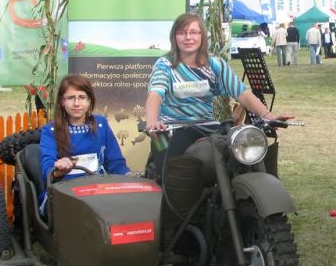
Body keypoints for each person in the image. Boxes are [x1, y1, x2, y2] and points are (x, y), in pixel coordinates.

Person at [145, 13, 292, 172]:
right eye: (182, 32)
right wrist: (152, 121)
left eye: (194, 32)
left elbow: (241, 92)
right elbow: (155, 94)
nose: (188, 37)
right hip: (171, 127)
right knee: (169, 172)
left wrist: (268, 117)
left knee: (241, 158)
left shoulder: (215, 64)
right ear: (174, 37)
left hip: (207, 126)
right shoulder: (165, 65)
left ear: (202, 35)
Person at [39, 74, 129, 207]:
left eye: (82, 97)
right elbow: (47, 168)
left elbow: (115, 163)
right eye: (70, 98)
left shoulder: (101, 124)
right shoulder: (50, 130)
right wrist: (58, 169)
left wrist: (129, 175)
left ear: (89, 101)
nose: (76, 103)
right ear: (62, 101)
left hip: (99, 189)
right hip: (63, 192)